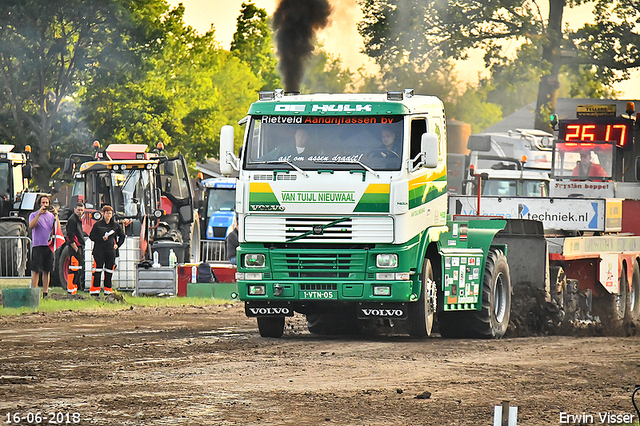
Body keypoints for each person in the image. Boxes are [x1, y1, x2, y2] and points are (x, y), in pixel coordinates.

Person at [89, 205, 125, 297]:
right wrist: (101, 238)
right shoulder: (98, 225)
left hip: (111, 252)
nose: (109, 215)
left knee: (109, 271)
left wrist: (117, 245)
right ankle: (95, 291)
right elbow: (92, 236)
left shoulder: (115, 225)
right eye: (107, 213)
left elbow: (122, 236)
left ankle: (108, 290)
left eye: (110, 213)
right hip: (99, 251)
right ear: (103, 213)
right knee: (97, 271)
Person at [28, 195, 59, 297]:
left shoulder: (51, 216)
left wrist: (56, 216)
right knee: (36, 270)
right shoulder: (33, 214)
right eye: (43, 203)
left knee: (47, 270)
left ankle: (45, 292)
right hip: (37, 245)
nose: (45, 205)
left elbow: (57, 228)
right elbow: (31, 226)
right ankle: (34, 292)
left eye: (46, 203)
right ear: (39, 204)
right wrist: (39, 214)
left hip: (48, 245)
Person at [65, 202, 85, 295]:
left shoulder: (78, 219)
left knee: (77, 269)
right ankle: (71, 289)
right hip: (75, 247)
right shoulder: (72, 220)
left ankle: (75, 289)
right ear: (74, 209)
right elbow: (70, 235)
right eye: (78, 210)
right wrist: (75, 248)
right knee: (73, 268)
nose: (80, 212)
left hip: (79, 246)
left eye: (81, 210)